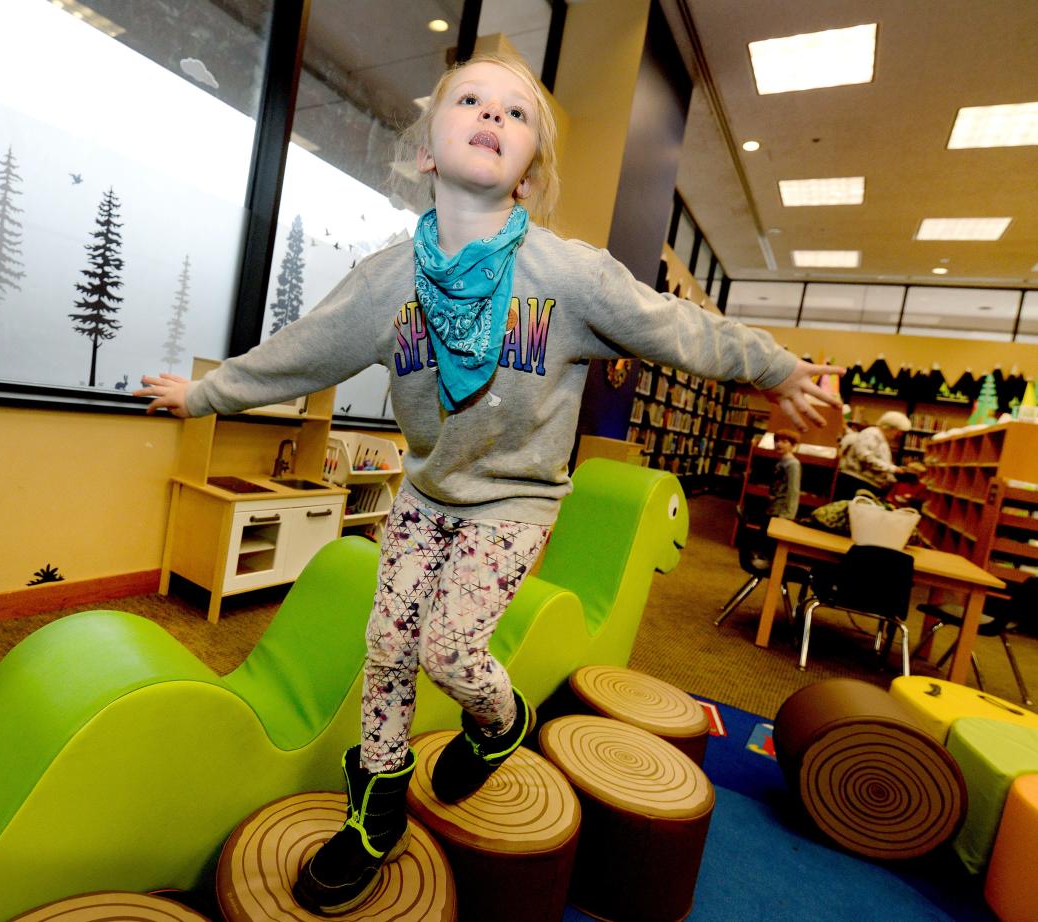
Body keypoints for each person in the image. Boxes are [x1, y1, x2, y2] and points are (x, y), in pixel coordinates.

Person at [136, 52, 841, 916]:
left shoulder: (566, 275)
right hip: (427, 493)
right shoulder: (387, 282)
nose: (492, 115)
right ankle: (375, 809)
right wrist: (203, 392)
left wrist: (773, 368)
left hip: (516, 498)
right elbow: (301, 350)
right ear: (427, 150)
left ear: (530, 167)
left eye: (516, 113)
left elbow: (675, 327)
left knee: (448, 649)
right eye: (470, 100)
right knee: (387, 647)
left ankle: (498, 722)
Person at [834, 410, 914, 499]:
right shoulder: (871, 434)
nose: (900, 435)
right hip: (856, 482)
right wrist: (893, 468)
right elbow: (865, 457)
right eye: (899, 431)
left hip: (864, 483)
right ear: (890, 427)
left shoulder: (880, 438)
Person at [768, 428, 802, 522]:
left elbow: (793, 490)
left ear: (793, 445)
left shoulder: (793, 464)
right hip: (774, 507)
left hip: (782, 511)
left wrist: (789, 514)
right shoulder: (781, 461)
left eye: (784, 441)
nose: (779, 444)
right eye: (777, 441)